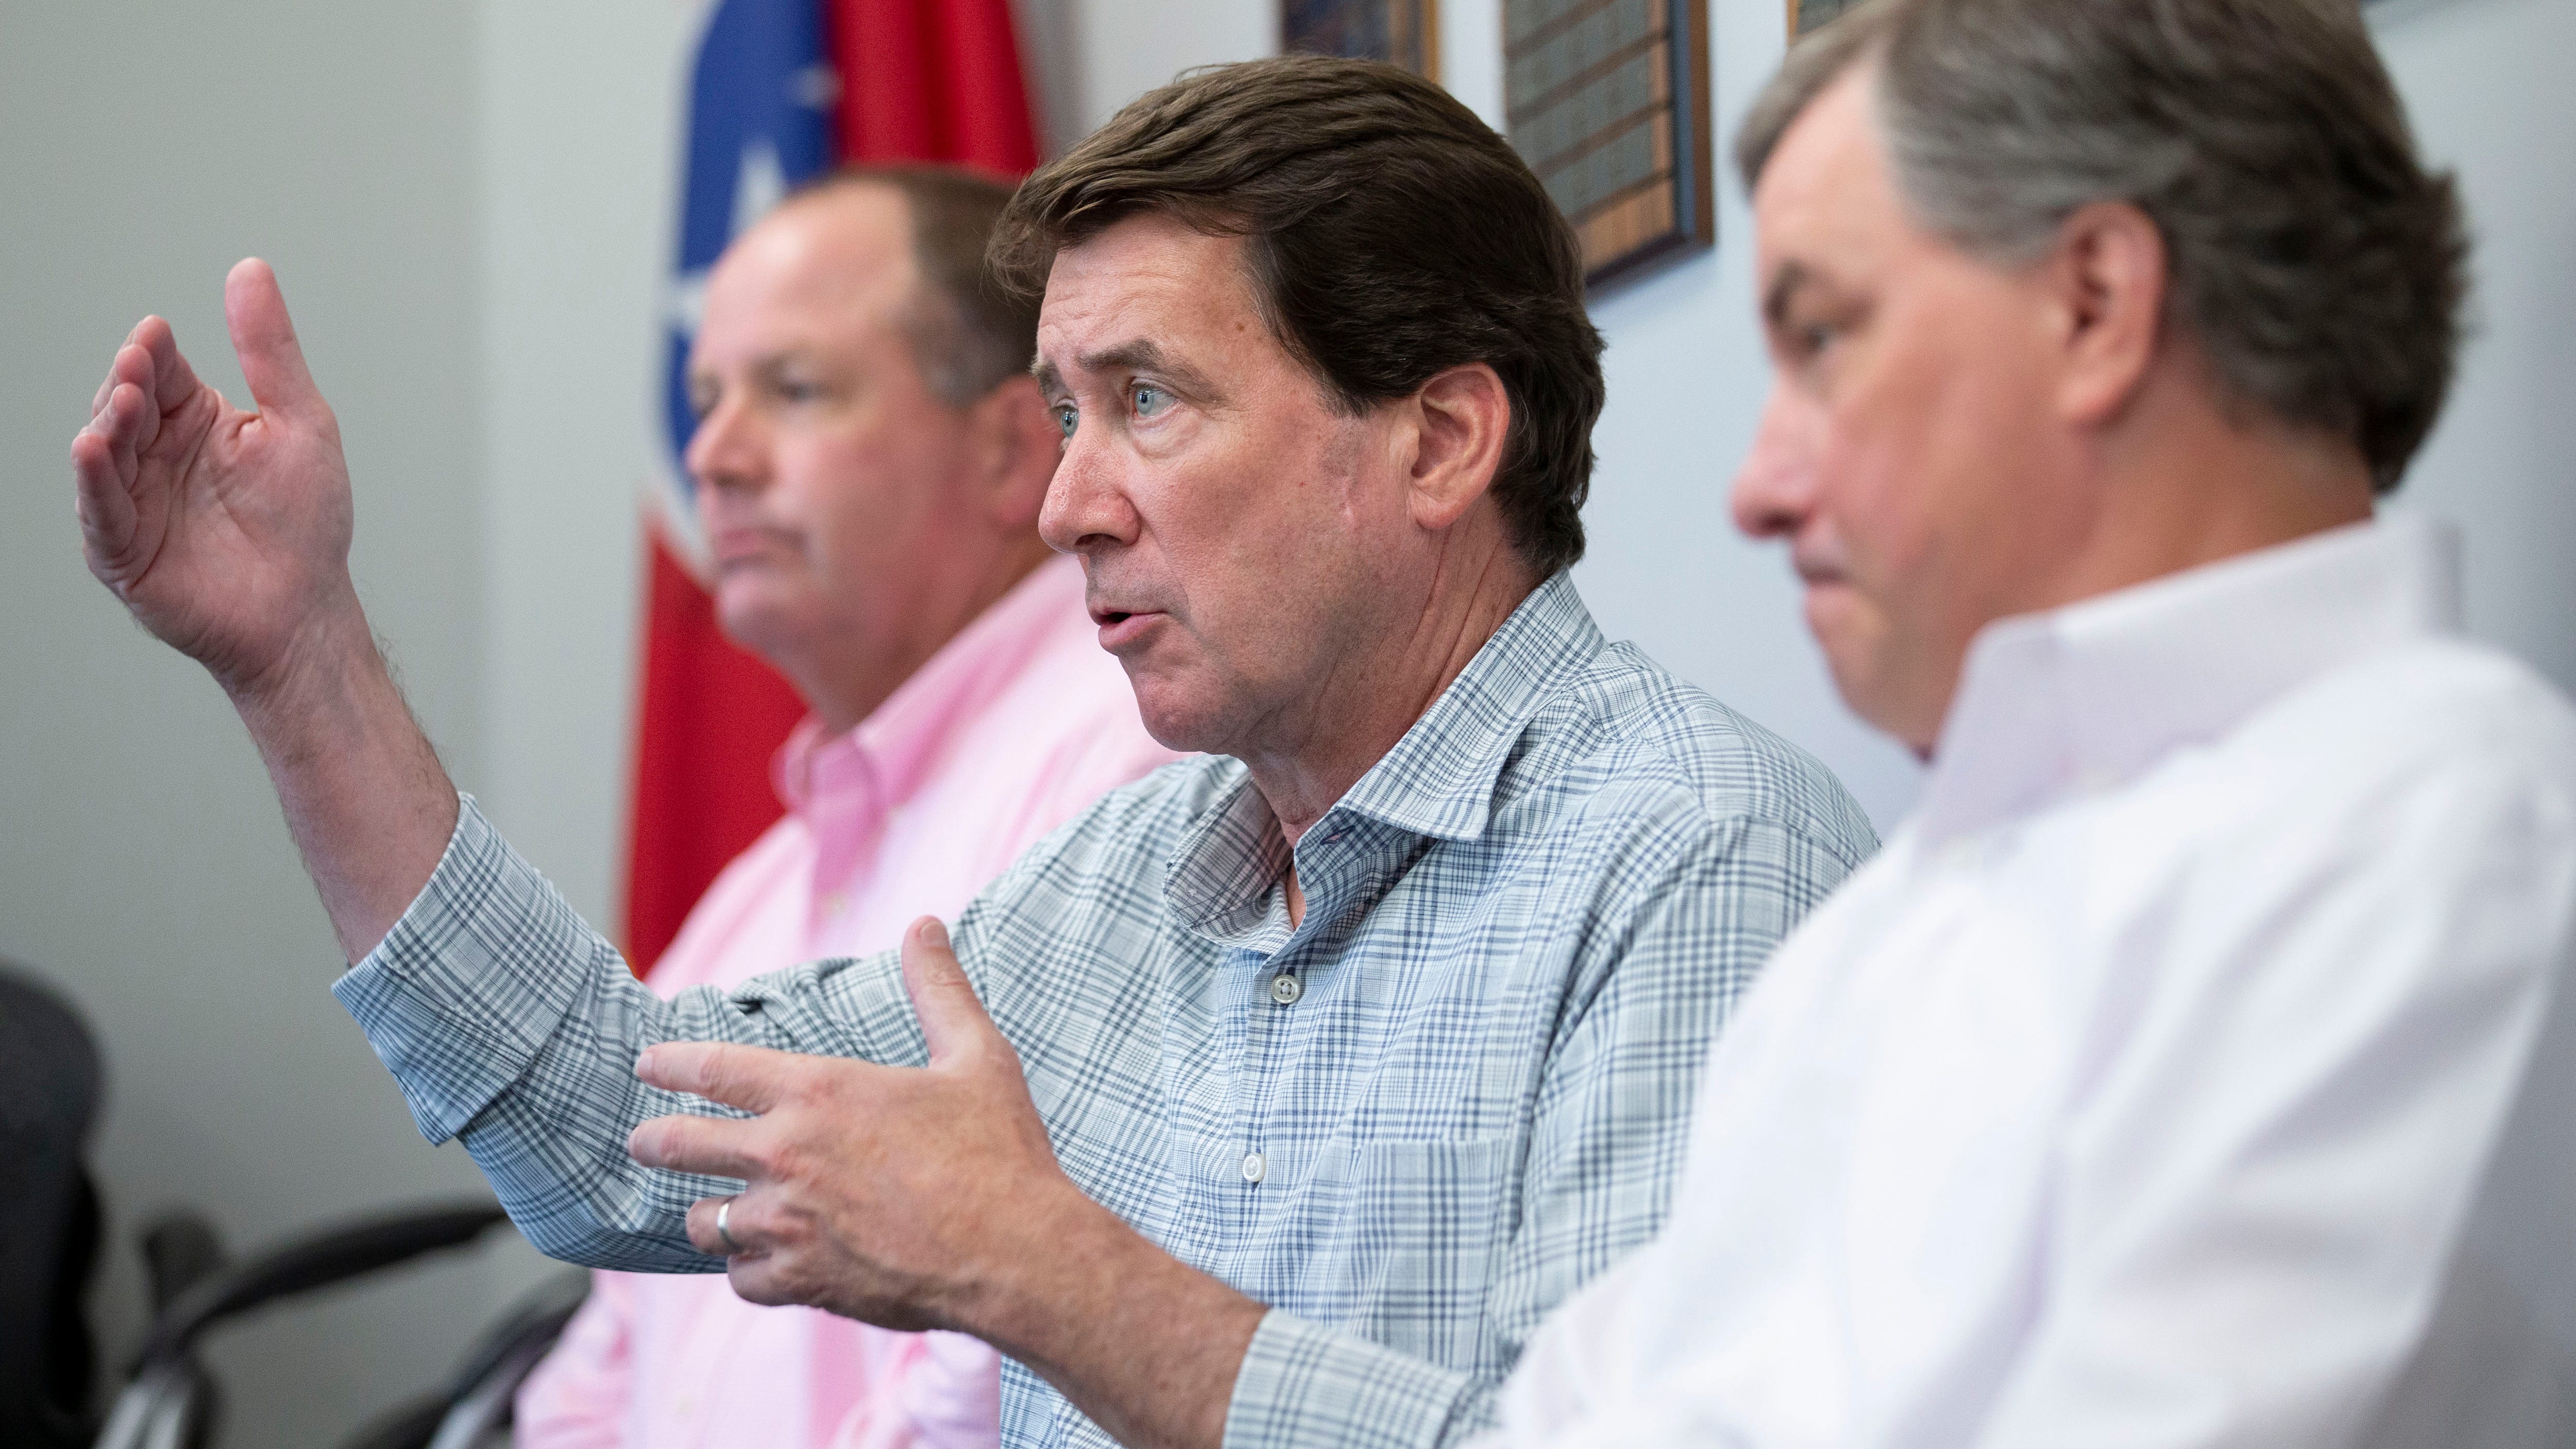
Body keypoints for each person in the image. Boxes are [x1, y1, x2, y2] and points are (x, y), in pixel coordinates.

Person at [67, 56, 1877, 1449]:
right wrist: (298, 660)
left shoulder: (1699, 858)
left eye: (1147, 400)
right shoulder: (1125, 877)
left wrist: (1052, 1277)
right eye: (1064, 413)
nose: (1073, 501)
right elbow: (620, 1131)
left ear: (1438, 442)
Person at [1475, 2, 2576, 1445]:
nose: (1757, 484)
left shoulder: (2440, 842)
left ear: (2095, 306)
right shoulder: (1894, 920)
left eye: (1823, 336)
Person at [512, 167, 1182, 1449]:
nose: (712, 454)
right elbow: (605, 1350)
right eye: (706, 399)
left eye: (794, 389)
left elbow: (1022, 1350)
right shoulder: (750, 892)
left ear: (1005, 448)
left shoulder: (1131, 764)